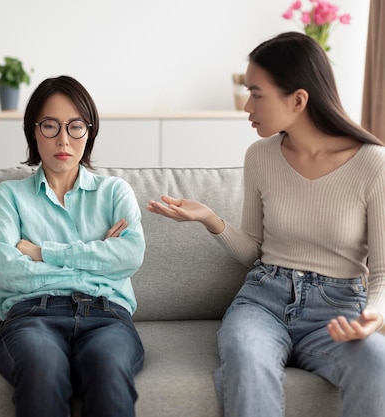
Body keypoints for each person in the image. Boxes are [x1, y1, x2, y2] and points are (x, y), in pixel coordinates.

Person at [147, 31, 385, 417]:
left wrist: (372, 315)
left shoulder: (373, 164)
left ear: (298, 99)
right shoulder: (260, 156)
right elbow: (255, 250)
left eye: (256, 93)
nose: (247, 106)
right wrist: (210, 219)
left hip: (338, 309)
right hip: (264, 301)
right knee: (247, 359)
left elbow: (383, 271)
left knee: (377, 362)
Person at [0, 75, 146, 417]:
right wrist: (97, 252)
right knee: (42, 371)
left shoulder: (115, 192)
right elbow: (9, 272)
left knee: (108, 371)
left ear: (89, 132)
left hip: (107, 316)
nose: (63, 139)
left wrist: (43, 252)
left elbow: (130, 257)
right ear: (33, 130)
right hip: (32, 317)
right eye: (50, 126)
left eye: (75, 126)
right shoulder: (8, 196)